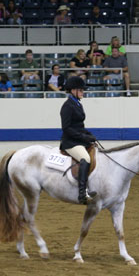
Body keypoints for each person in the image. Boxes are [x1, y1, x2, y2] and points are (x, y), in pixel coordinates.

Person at [59, 76, 97, 204]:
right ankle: (82, 193)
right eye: (80, 90)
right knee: (85, 158)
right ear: (73, 90)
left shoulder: (77, 104)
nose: (83, 92)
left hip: (79, 139)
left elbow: (79, 125)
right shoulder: (67, 106)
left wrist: (88, 134)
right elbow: (67, 128)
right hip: (70, 142)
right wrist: (83, 137)